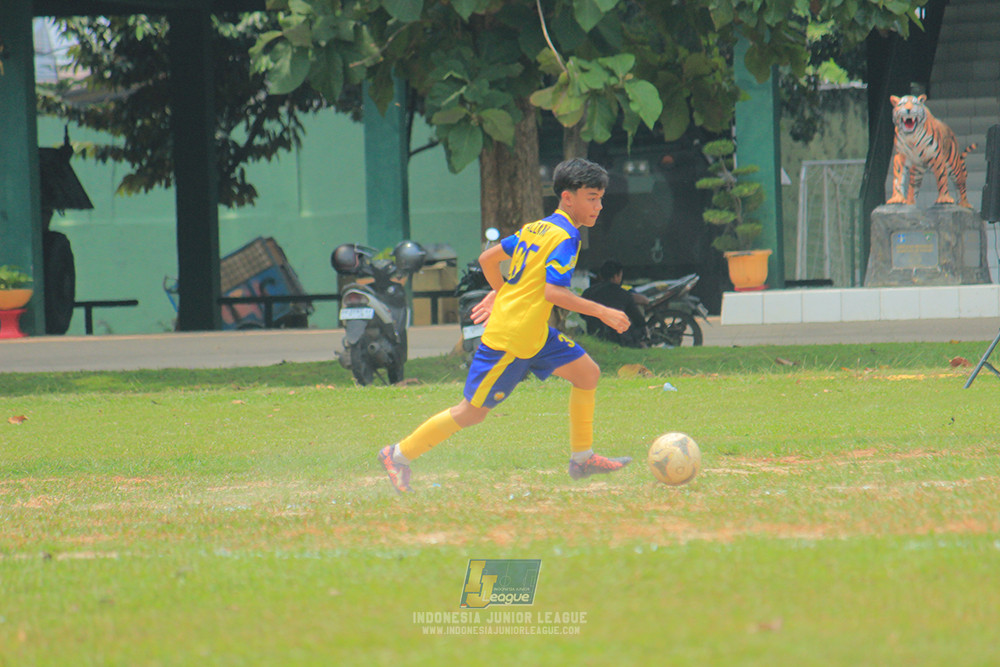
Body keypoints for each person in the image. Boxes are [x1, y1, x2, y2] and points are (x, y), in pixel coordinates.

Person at [377, 158, 634, 493]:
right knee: (472, 412)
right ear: (568, 198)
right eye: (591, 197)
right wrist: (603, 312)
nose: (598, 206)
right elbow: (553, 291)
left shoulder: (537, 228)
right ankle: (396, 456)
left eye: (601, 198)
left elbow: (488, 259)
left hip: (535, 334)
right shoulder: (566, 237)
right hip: (510, 340)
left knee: (588, 374)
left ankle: (582, 459)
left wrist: (502, 292)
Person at [581, 259, 649, 347]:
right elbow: (638, 320)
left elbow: (582, 314)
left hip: (594, 334)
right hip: (620, 339)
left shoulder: (588, 292)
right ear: (617, 276)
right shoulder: (623, 294)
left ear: (601, 275)